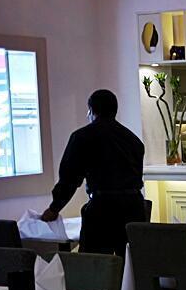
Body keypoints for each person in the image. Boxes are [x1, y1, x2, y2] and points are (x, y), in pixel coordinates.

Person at [41, 89, 145, 256]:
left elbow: (69, 178)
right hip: (134, 209)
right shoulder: (133, 140)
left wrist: (54, 208)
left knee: (95, 264)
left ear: (91, 111)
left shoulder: (82, 137)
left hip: (102, 210)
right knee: (131, 263)